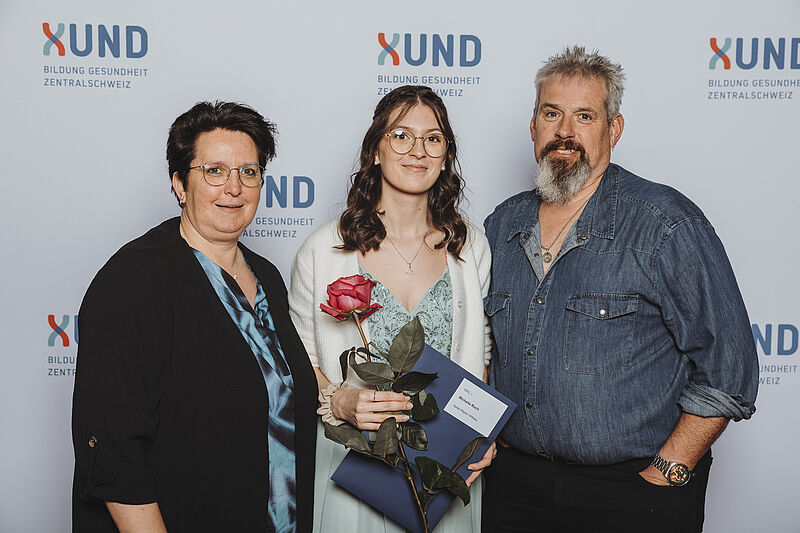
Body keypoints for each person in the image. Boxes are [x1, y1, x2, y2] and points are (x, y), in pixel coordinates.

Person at [481, 47, 759, 533]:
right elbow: (481, 347)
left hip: (632, 491)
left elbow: (730, 364)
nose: (564, 131)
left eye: (584, 116)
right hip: (516, 487)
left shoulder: (665, 224)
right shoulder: (501, 225)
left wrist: (669, 469)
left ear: (614, 129)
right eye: (552, 114)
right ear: (533, 126)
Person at [71, 101, 317, 533]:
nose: (234, 188)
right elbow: (112, 449)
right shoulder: (133, 281)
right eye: (214, 171)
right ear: (180, 184)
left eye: (248, 172)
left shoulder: (267, 277)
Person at [288, 85, 496, 533]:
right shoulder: (324, 250)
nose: (418, 150)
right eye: (401, 135)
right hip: (357, 464)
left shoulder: (470, 246)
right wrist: (340, 401)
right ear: (376, 150)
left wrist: (482, 434)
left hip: (446, 465)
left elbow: (480, 359)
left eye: (433, 138)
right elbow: (301, 361)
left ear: (446, 155)